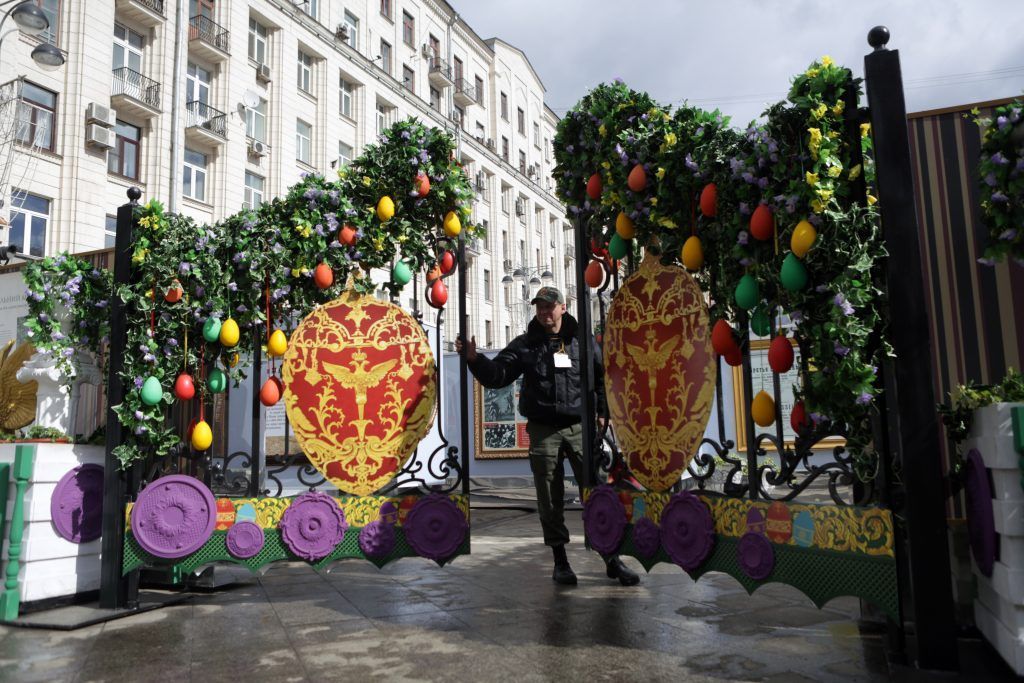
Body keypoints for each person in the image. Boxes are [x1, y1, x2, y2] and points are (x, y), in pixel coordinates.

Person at [457, 286, 640, 586]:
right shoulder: (526, 344)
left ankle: (611, 557)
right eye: (539, 307)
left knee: (595, 492)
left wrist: (603, 412)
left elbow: (602, 376)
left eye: (549, 306)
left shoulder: (582, 342)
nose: (544, 311)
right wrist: (475, 360)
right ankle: (561, 561)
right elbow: (499, 375)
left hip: (580, 426)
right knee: (549, 497)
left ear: (563, 308)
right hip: (543, 430)